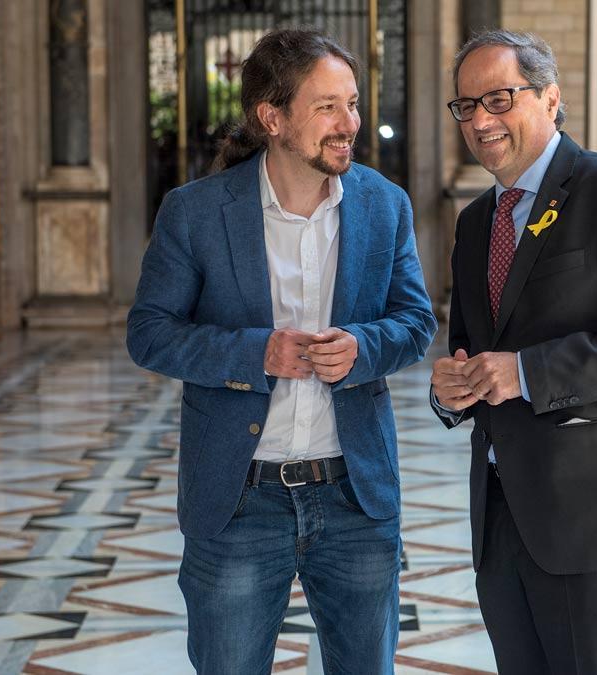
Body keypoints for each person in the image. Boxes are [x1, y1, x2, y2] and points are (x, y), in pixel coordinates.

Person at [126, 28, 435, 674]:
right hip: (239, 501)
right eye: (328, 106)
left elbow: (415, 322)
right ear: (273, 117)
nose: (349, 122)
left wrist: (363, 345)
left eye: (352, 103)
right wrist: (256, 353)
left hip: (355, 497)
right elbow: (150, 332)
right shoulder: (195, 213)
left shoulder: (385, 206)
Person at [430, 29, 597, 675]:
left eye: (499, 98)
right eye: (466, 106)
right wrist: (452, 388)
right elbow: (474, 348)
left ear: (551, 98)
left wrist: (526, 371)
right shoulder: (474, 222)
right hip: (501, 512)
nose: (481, 120)